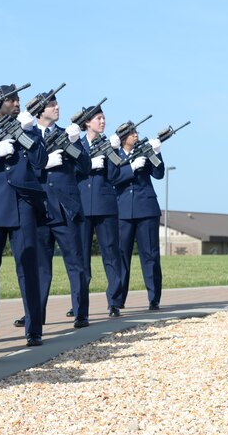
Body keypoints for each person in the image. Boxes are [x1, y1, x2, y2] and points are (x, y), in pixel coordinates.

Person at [0, 85, 47, 347]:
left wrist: (29, 132)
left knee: (28, 269)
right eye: (11, 100)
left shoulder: (28, 127)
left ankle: (34, 328)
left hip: (22, 204)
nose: (17, 104)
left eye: (18, 99)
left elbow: (40, 161)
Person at [16, 92, 91, 328]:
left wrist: (77, 143)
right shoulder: (27, 133)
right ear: (39, 110)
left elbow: (86, 166)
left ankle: (81, 312)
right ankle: (35, 315)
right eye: (51, 104)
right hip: (38, 207)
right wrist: (43, 163)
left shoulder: (65, 135)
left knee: (76, 263)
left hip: (65, 206)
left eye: (57, 103)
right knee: (39, 268)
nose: (57, 107)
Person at [75, 104, 123, 317]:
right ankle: (79, 304)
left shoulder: (108, 144)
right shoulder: (77, 143)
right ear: (87, 122)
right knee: (81, 258)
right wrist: (88, 164)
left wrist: (113, 151)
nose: (103, 122)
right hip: (83, 205)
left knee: (111, 254)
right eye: (98, 119)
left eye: (104, 118)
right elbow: (71, 170)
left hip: (105, 205)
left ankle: (114, 301)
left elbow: (115, 176)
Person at [110, 128, 164, 310]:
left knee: (150, 255)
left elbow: (158, 174)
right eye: (132, 133)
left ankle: (154, 298)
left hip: (146, 209)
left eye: (136, 133)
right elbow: (113, 178)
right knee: (121, 256)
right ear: (123, 137)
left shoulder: (145, 151)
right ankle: (118, 300)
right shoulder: (115, 153)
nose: (136, 136)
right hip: (122, 210)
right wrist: (131, 168)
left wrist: (157, 153)